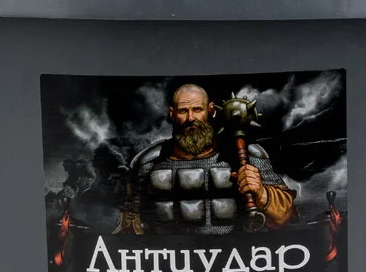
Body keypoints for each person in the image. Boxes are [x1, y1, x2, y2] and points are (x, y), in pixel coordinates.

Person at [114, 83, 296, 235]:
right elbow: (130, 226)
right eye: (183, 111)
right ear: (172, 114)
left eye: (197, 109)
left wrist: (262, 193)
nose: (190, 118)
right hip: (172, 257)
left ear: (210, 110)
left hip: (232, 256)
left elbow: (283, 217)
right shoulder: (147, 163)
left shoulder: (248, 156)